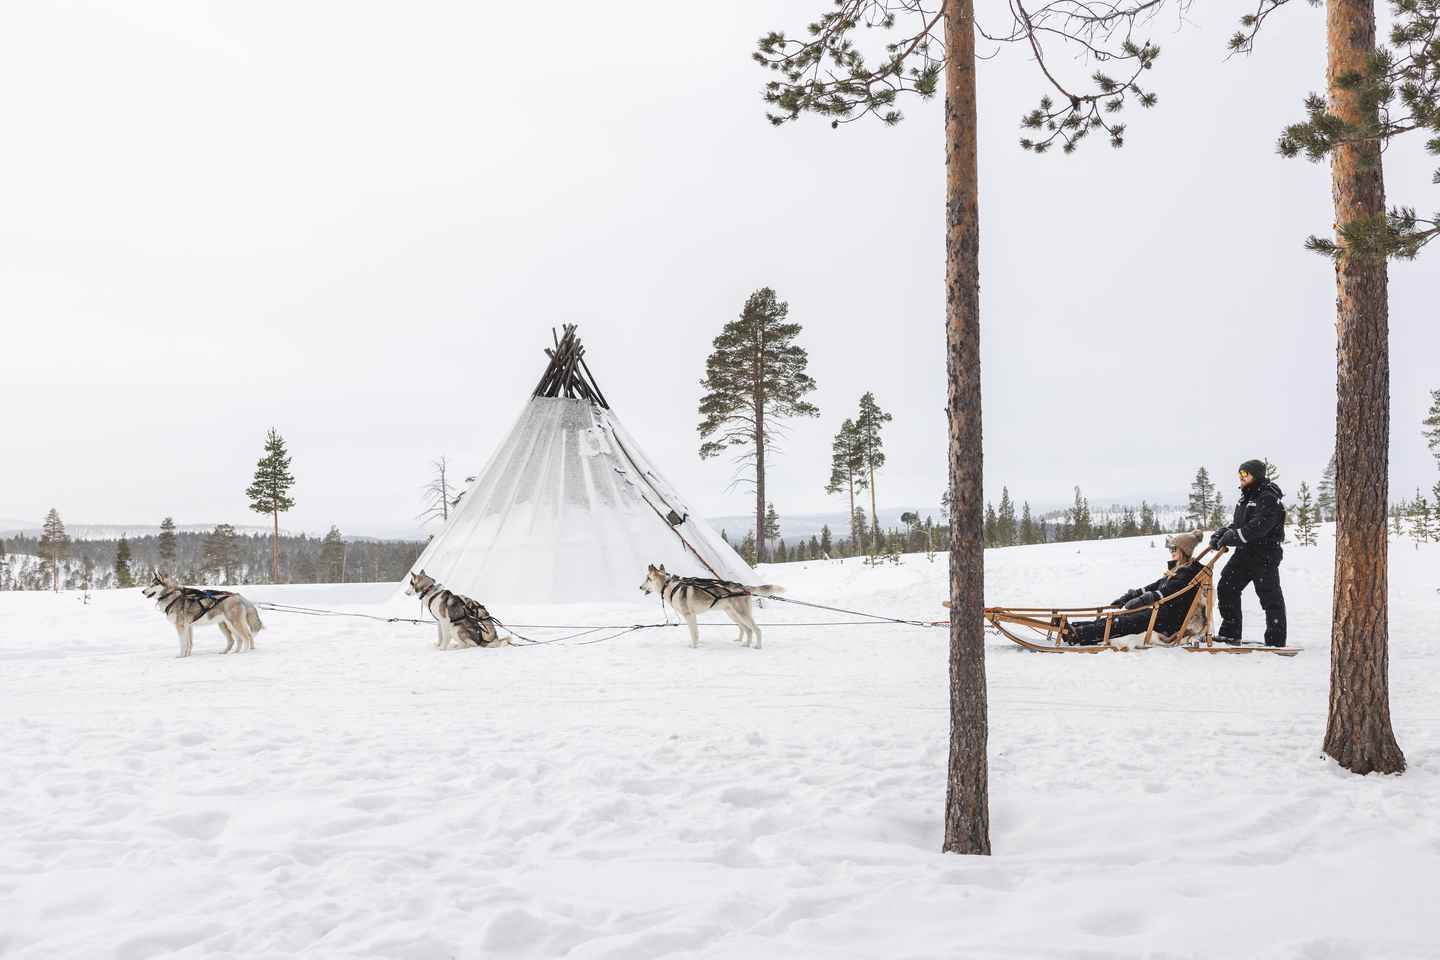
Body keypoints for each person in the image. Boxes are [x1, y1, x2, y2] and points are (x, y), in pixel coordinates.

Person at [1063, 531, 1208, 645]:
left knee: (1126, 622)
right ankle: (1077, 628)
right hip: (1162, 613)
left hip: (1170, 620)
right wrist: (1132, 595)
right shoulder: (1179, 569)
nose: (1171, 551)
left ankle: (1079, 634)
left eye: (1174, 548)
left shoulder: (1188, 573)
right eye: (1170, 549)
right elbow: (1155, 586)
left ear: (1183, 550)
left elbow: (1171, 591)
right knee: (1121, 617)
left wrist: (1147, 598)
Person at [1210, 458, 1287, 647]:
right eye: (1240, 474)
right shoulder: (1246, 497)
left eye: (1245, 474)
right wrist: (1222, 533)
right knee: (1227, 586)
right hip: (1245, 554)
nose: (1241, 478)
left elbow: (1259, 527)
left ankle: (1275, 641)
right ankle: (1230, 633)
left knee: (1269, 597)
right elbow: (1238, 525)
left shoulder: (1268, 497)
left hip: (1265, 554)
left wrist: (1232, 536)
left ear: (1256, 475)